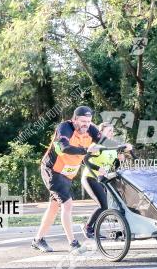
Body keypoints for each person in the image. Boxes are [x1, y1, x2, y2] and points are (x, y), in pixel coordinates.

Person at [33, 108, 132, 253]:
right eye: (83, 121)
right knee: (67, 204)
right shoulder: (65, 128)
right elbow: (64, 147)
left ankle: (38, 240)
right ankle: (73, 244)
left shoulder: (90, 129)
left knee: (54, 207)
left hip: (67, 173)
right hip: (52, 170)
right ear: (74, 120)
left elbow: (104, 141)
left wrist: (121, 146)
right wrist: (86, 151)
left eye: (89, 121)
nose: (86, 124)